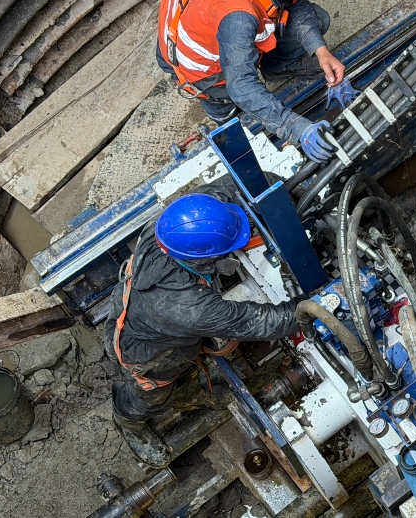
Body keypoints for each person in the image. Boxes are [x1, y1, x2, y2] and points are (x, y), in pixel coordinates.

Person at [105, 192, 299, 467]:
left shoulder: (167, 225)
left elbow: (215, 199)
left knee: (123, 323)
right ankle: (128, 421)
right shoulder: (192, 307)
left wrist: (271, 196)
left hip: (127, 303)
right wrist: (315, 304)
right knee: (150, 394)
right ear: (203, 258)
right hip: (149, 355)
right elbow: (264, 322)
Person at [156, 0, 350, 163]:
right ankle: (227, 124)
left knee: (317, 19)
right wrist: (294, 127)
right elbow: (240, 85)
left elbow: (295, 0)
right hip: (196, 63)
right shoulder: (239, 18)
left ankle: (274, 68)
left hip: (189, 12)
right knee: (227, 107)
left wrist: (320, 51)